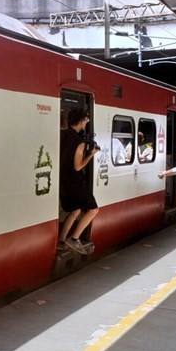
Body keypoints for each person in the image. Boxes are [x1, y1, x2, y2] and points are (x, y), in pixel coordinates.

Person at [59, 109, 100, 254]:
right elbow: (78, 166)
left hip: (63, 181)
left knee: (76, 209)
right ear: (81, 121)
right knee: (93, 210)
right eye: (86, 120)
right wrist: (90, 155)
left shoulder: (62, 134)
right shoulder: (79, 142)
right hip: (75, 182)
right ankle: (74, 239)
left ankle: (62, 241)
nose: (87, 122)